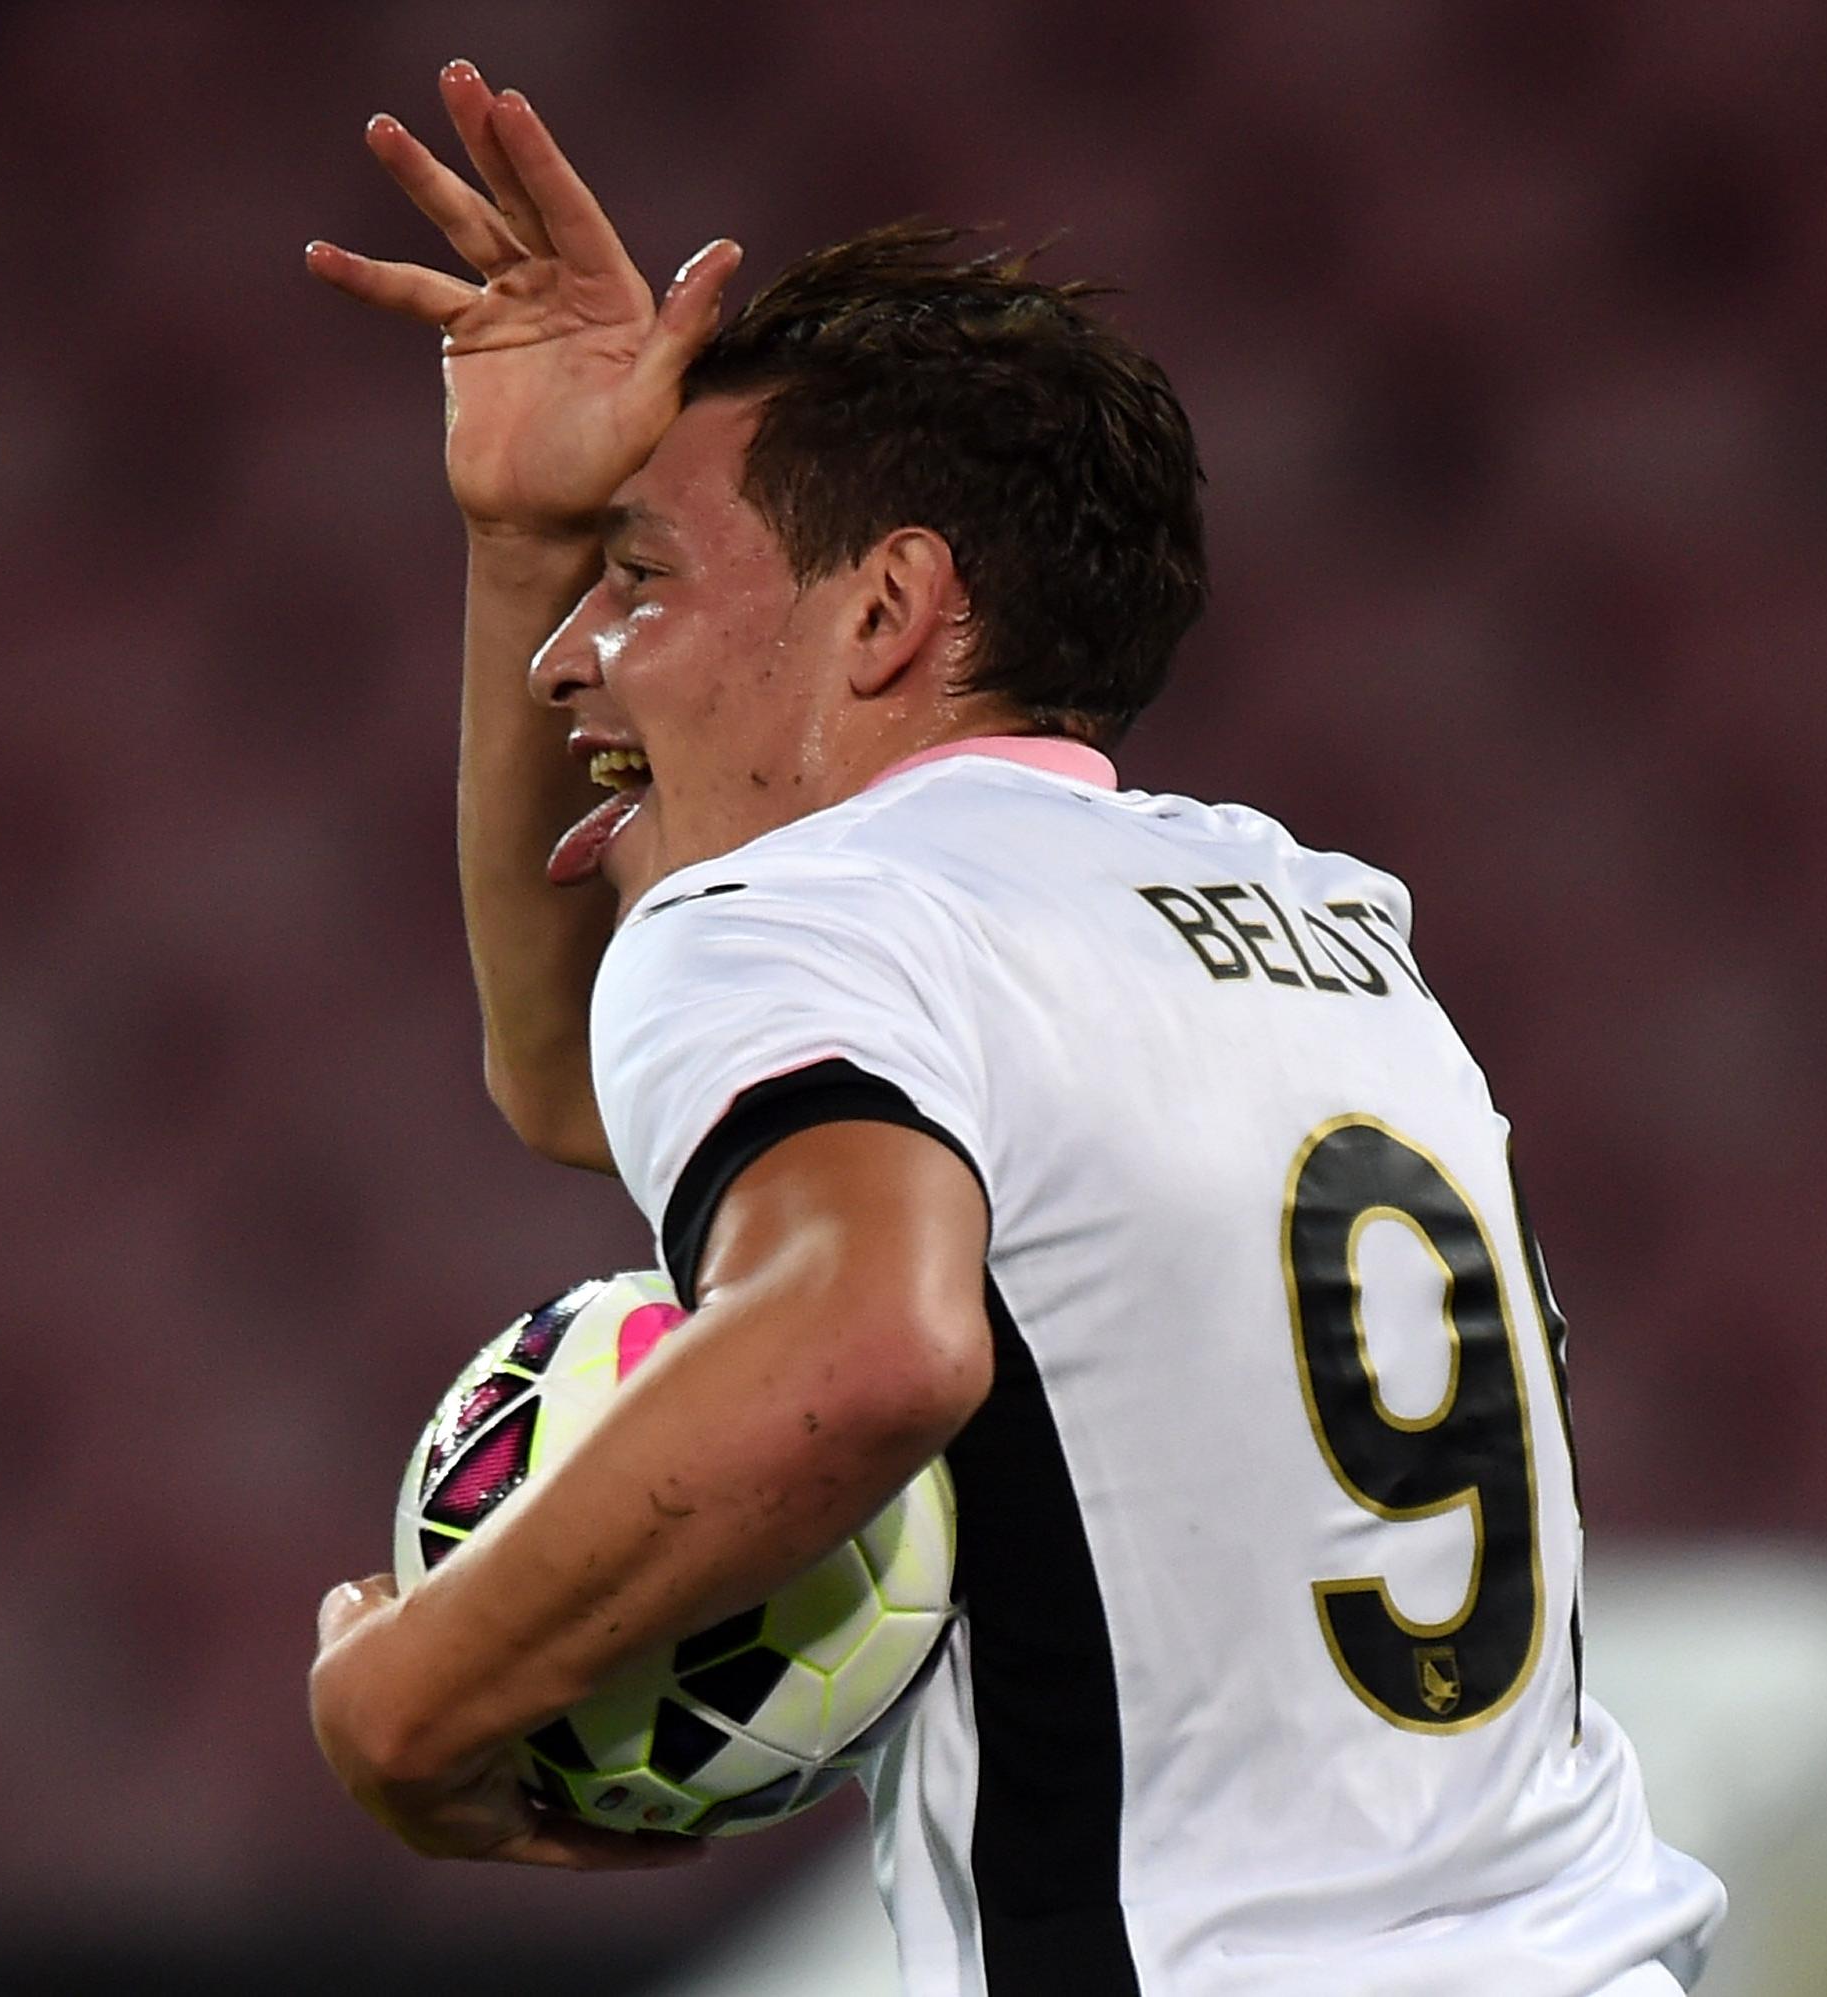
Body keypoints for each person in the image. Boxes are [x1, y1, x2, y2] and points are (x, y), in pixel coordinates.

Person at [304, 61, 1725, 1997]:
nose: (574, 650)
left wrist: (407, 1703)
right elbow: (577, 1089)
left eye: (632, 580)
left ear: (886, 610)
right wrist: (522, 534)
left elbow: (870, 1343)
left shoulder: (811, 914)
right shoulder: (1311, 918)